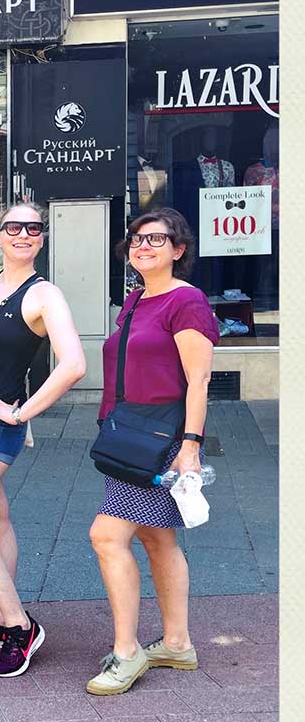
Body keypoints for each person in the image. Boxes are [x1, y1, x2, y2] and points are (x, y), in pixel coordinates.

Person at [0, 204, 85, 677]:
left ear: (42, 238)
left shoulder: (44, 294)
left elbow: (74, 365)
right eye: (13, 227)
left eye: (33, 228)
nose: (23, 234)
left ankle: (20, 626)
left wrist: (21, 412)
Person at [87, 208, 218, 695]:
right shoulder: (136, 299)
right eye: (137, 239)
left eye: (157, 239)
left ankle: (127, 653)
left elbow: (199, 380)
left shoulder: (187, 301)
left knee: (106, 536)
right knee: (157, 538)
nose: (143, 246)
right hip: (129, 434)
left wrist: (190, 447)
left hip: (161, 439)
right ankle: (177, 643)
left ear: (179, 249)